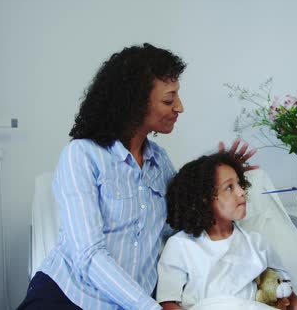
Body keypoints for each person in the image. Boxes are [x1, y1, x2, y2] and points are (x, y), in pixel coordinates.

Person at [17, 43, 256, 310]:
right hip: (68, 296)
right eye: (169, 99)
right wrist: (149, 308)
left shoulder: (160, 163)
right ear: (135, 103)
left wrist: (222, 176)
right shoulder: (81, 156)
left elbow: (184, 222)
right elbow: (88, 254)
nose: (180, 107)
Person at [157, 153, 297, 310]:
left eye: (240, 184)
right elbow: (168, 303)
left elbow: (289, 297)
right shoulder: (180, 246)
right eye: (229, 187)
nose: (241, 192)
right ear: (204, 197)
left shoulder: (257, 244)